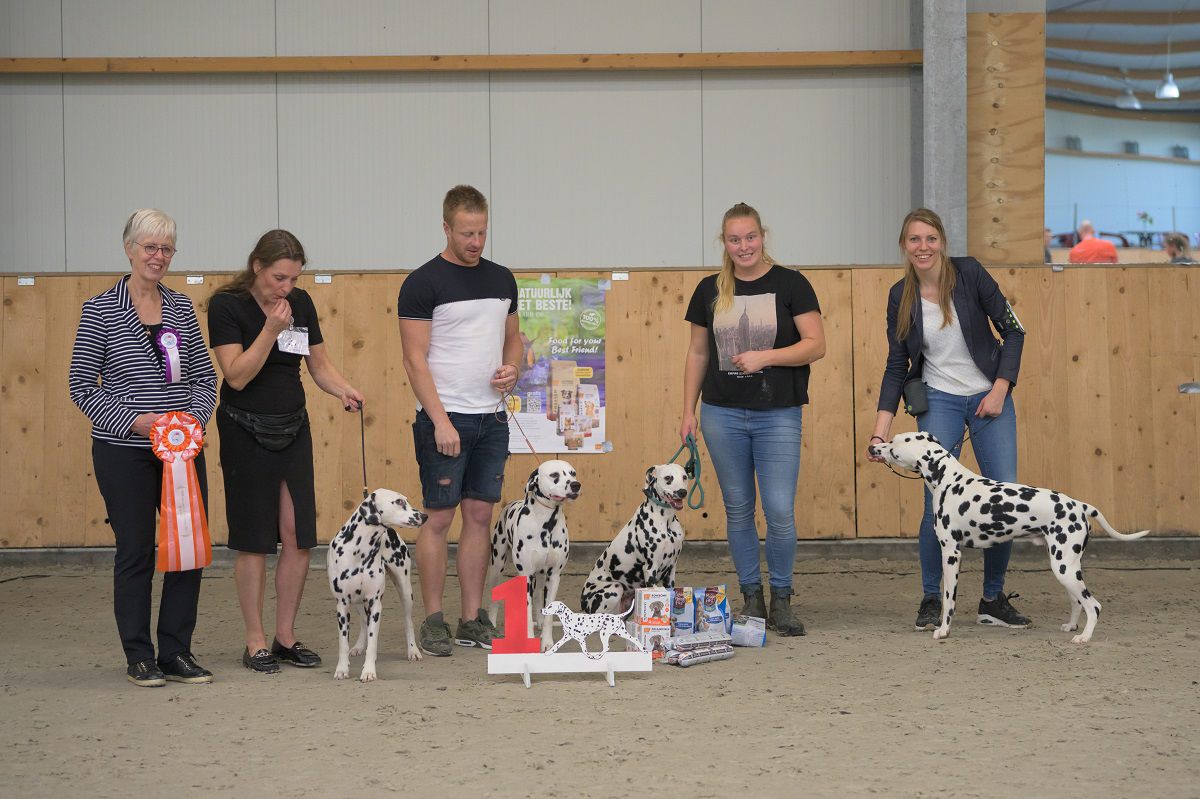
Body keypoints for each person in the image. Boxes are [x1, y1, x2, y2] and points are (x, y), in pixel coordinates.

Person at [69, 209, 218, 687]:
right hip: (123, 450)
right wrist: (137, 422)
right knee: (135, 550)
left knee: (189, 551)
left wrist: (190, 422)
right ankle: (139, 655)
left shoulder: (181, 308)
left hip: (182, 450)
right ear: (129, 248)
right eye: (150, 247)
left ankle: (176, 651)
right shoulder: (99, 309)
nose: (158, 256)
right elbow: (82, 387)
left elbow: (204, 378)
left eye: (167, 248)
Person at [866, 208, 1030, 632]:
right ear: (904, 246)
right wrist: (880, 432)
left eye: (930, 239)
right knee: (934, 504)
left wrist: (1000, 388)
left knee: (1005, 495)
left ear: (942, 241)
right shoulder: (899, 296)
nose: (923, 247)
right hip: (938, 399)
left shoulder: (971, 274)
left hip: (989, 396)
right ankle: (930, 597)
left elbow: (1014, 330)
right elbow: (896, 365)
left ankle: (992, 598)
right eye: (914, 240)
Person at [208, 230, 363, 674]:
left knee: (297, 536)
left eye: (293, 279)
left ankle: (285, 636)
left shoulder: (302, 304)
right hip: (243, 429)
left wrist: (343, 389)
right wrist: (270, 329)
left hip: (293, 427)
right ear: (257, 266)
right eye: (279, 277)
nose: (286, 288)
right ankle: (254, 640)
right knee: (254, 540)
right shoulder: (227, 305)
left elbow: (317, 363)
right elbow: (236, 375)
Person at [679, 202, 826, 637]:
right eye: (734, 239)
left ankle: (782, 596)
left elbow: (815, 344)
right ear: (723, 243)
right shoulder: (709, 289)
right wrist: (687, 410)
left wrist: (766, 356)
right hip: (721, 413)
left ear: (763, 236)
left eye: (750, 237)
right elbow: (698, 353)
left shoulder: (791, 283)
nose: (743, 246)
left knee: (779, 510)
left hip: (778, 413)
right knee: (738, 508)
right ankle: (752, 596)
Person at [397, 184, 521, 656]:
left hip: (491, 417)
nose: (475, 241)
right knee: (439, 516)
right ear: (446, 227)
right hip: (444, 418)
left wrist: (513, 368)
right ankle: (433, 620)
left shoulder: (502, 279)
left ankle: (472, 618)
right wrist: (440, 420)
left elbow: (513, 338)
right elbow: (414, 359)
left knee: (480, 514)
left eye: (482, 232)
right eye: (467, 233)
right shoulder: (422, 283)